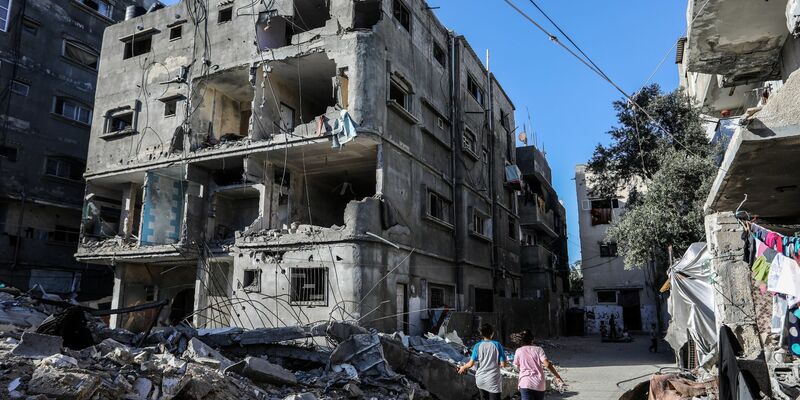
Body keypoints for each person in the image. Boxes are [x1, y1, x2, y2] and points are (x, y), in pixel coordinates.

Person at [457, 323, 508, 400]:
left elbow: (470, 364)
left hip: (481, 380)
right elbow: (503, 364)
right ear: (492, 333)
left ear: (482, 334)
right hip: (493, 381)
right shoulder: (497, 345)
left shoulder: (477, 346)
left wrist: (463, 367)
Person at [512, 330, 563, 400]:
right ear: (532, 339)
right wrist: (557, 376)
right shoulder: (538, 349)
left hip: (525, 383)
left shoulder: (519, 351)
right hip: (539, 384)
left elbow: (516, 366)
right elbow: (547, 364)